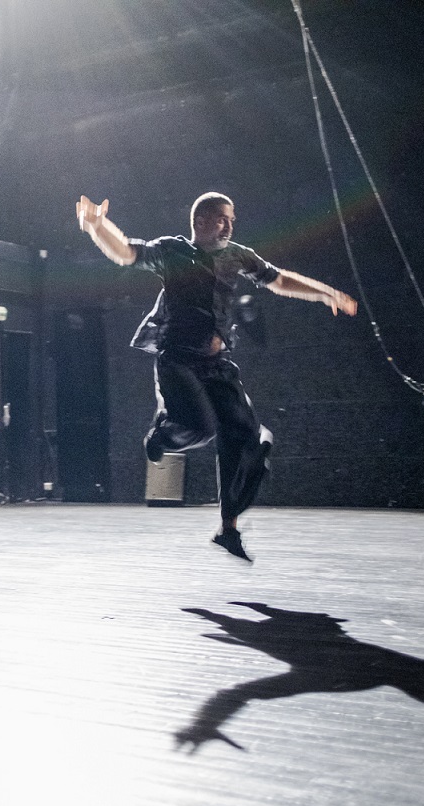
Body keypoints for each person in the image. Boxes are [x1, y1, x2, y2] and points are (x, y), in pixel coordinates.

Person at [76, 192, 357, 561]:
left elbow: (279, 279)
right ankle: (161, 434)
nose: (229, 226)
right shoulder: (173, 251)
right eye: (223, 219)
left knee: (247, 442)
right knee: (202, 429)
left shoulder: (237, 255)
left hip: (218, 365)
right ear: (202, 222)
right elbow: (126, 252)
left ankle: (228, 528)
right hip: (178, 361)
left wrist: (323, 293)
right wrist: (98, 226)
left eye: (232, 220)